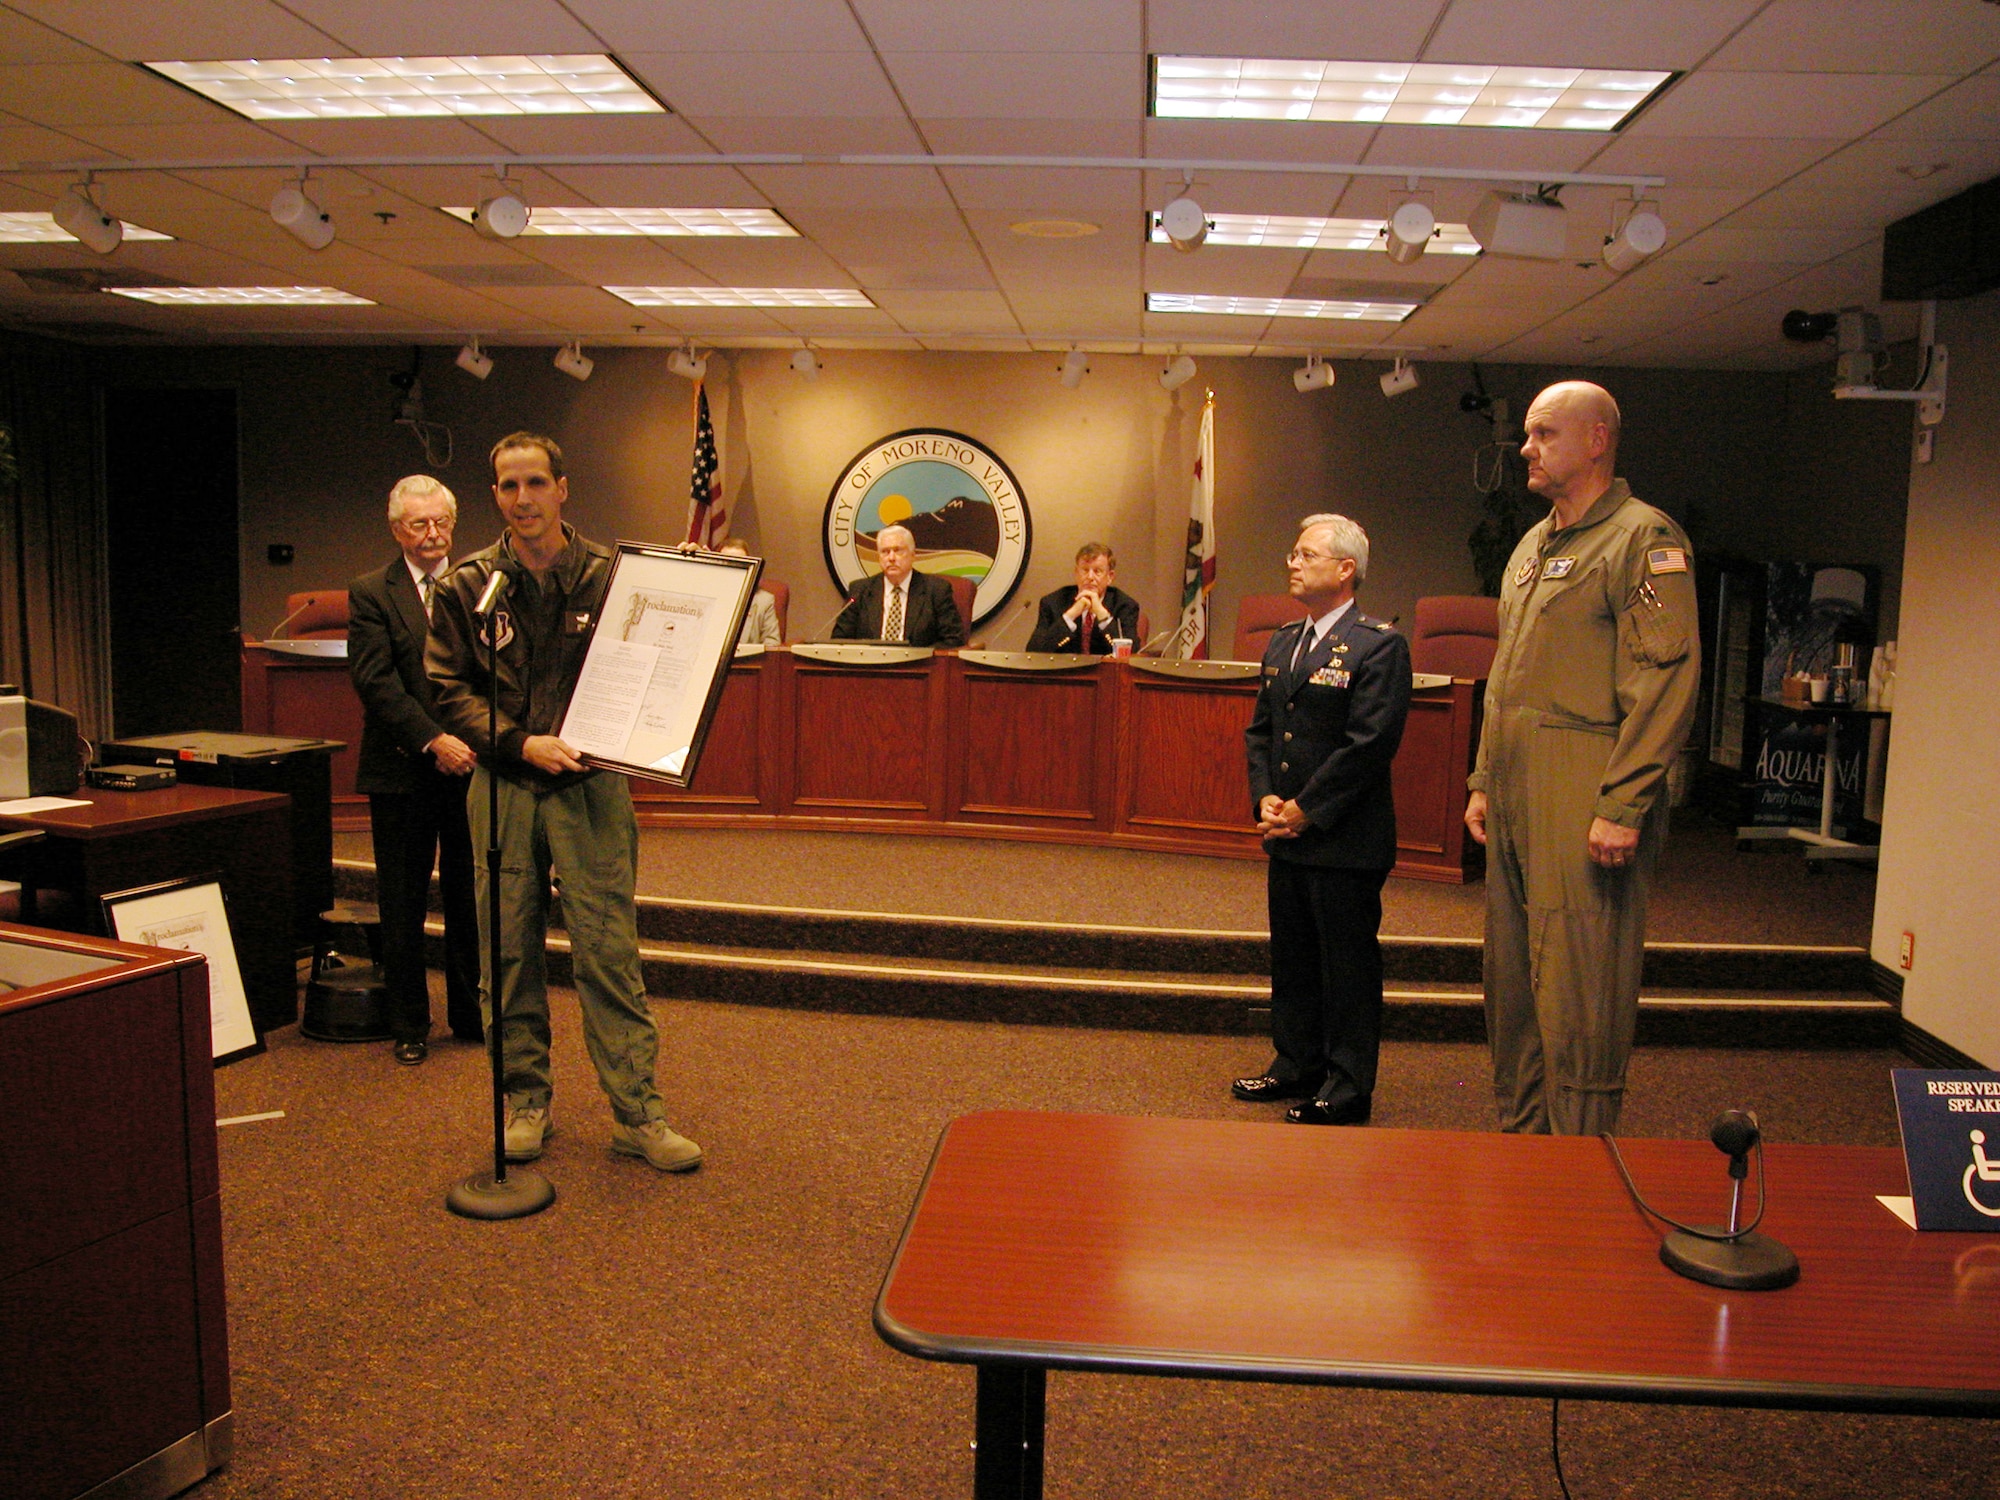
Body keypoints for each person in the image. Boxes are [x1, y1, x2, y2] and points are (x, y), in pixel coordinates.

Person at [427, 431, 702, 1173]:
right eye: (509, 486)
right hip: (506, 785)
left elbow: (657, 671)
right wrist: (519, 743)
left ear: (562, 488)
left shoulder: (615, 580)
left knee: (609, 952)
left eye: (536, 484)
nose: (523, 500)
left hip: (590, 788)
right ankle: (524, 1101)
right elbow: (448, 689)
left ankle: (638, 1112)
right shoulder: (469, 586)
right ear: (494, 495)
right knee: (507, 953)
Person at [1464, 380, 1700, 1136]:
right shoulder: (1535, 544)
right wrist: (1480, 781)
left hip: (1584, 788)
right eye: (1527, 436)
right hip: (1513, 792)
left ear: (1596, 440)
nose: (1526, 450)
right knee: (1514, 984)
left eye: (1543, 435)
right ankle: (1524, 1145)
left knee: (1580, 986)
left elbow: (1663, 678)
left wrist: (1623, 802)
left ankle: (1583, 1166)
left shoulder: (1643, 539)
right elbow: (1508, 674)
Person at [1233, 514, 1410, 1125]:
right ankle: (1296, 1063)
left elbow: (1370, 744)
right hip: (1285, 831)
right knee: (1294, 955)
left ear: (1345, 570)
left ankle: (1348, 1083)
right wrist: (1265, 799)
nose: (1292, 563)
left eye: (1306, 554)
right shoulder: (1284, 640)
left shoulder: (1379, 644)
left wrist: (1307, 809)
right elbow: (1261, 732)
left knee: (1346, 963)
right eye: (1292, 552)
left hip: (1344, 837)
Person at [347, 474, 482, 1066]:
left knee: (466, 895)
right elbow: (376, 682)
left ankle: (470, 1014)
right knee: (402, 901)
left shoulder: (481, 583)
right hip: (404, 769)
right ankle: (409, 1024)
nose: (433, 534)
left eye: (442, 522)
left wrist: (474, 740)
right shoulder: (372, 591)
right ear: (397, 529)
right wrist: (434, 740)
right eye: (419, 524)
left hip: (471, 767)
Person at [829, 523, 966, 646]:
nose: (891, 558)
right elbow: (839, 640)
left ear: (913, 555)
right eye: (885, 552)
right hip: (871, 669)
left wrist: (920, 658)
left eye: (898, 550)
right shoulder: (859, 591)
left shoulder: (936, 590)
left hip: (917, 668)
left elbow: (953, 639)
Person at [1026, 542, 1141, 653]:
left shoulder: (1125, 605)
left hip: (1105, 672)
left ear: (1110, 577)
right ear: (1076, 573)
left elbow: (1132, 653)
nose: (1090, 577)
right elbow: (1034, 651)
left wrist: (1102, 614)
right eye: (1085, 570)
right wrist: (1070, 615)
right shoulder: (1052, 602)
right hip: (1066, 671)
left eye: (1097, 571)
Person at [717, 537, 782, 646]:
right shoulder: (708, 596)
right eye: (729, 563)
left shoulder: (764, 601)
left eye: (740, 564)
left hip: (746, 660)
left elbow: (773, 643)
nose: (735, 570)